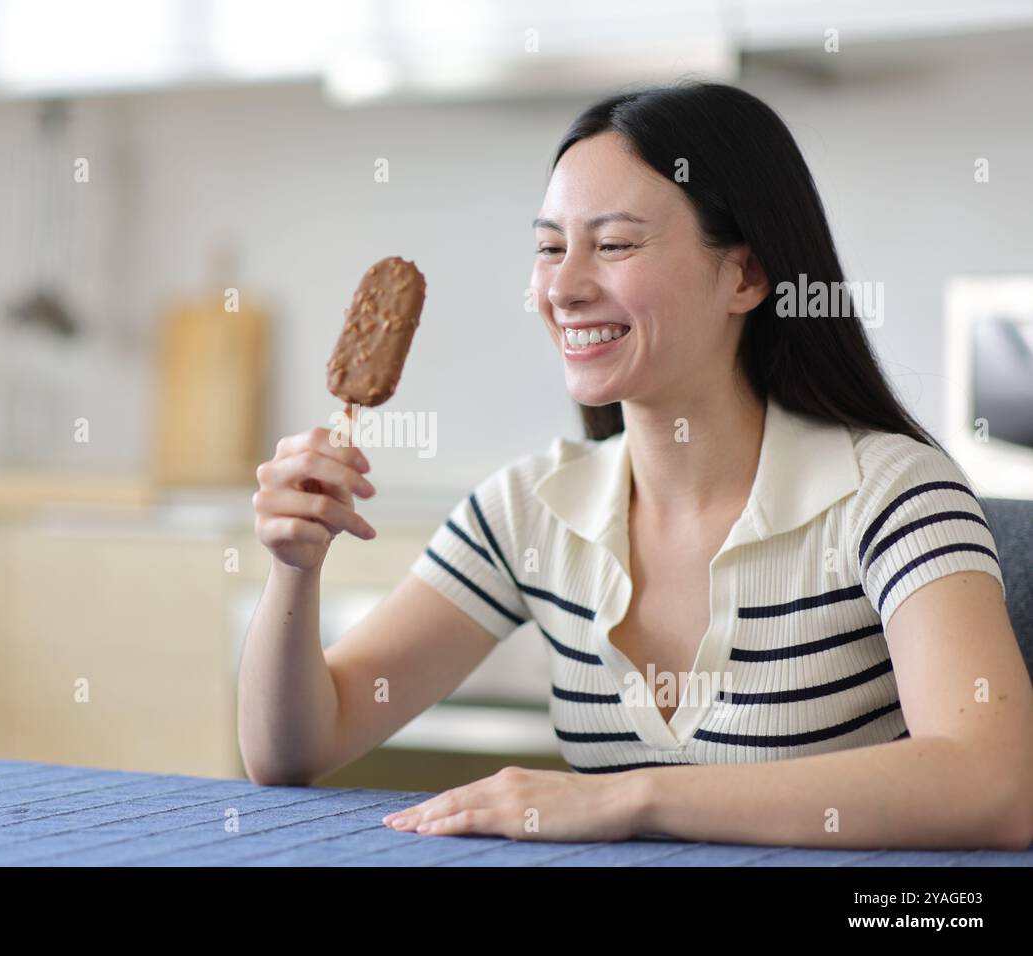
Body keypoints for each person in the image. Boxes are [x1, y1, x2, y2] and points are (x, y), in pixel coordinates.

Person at [238, 82, 1033, 850]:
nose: (564, 287)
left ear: (746, 275)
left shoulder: (894, 495)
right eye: (550, 248)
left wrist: (628, 795)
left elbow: (997, 783)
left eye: (614, 244)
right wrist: (292, 570)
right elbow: (297, 749)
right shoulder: (530, 511)